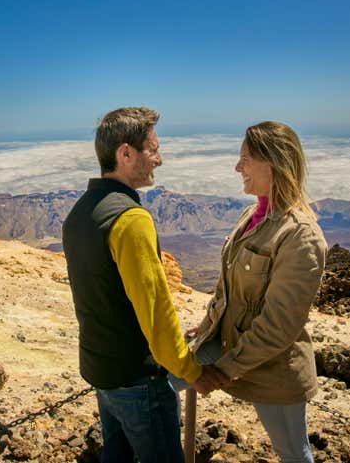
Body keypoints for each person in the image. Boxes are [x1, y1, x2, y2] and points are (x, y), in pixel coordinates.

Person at [62, 107, 228, 463]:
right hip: (138, 380)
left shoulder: (80, 212)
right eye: (153, 150)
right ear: (125, 153)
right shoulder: (130, 219)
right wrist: (191, 370)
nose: (159, 159)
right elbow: (155, 311)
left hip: (102, 370)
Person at [186, 121, 327, 463]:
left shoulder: (300, 236)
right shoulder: (252, 215)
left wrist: (224, 370)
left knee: (293, 452)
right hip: (230, 347)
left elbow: (279, 325)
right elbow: (229, 288)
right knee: (162, 381)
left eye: (246, 159)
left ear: (274, 163)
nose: (238, 167)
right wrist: (207, 326)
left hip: (274, 370)